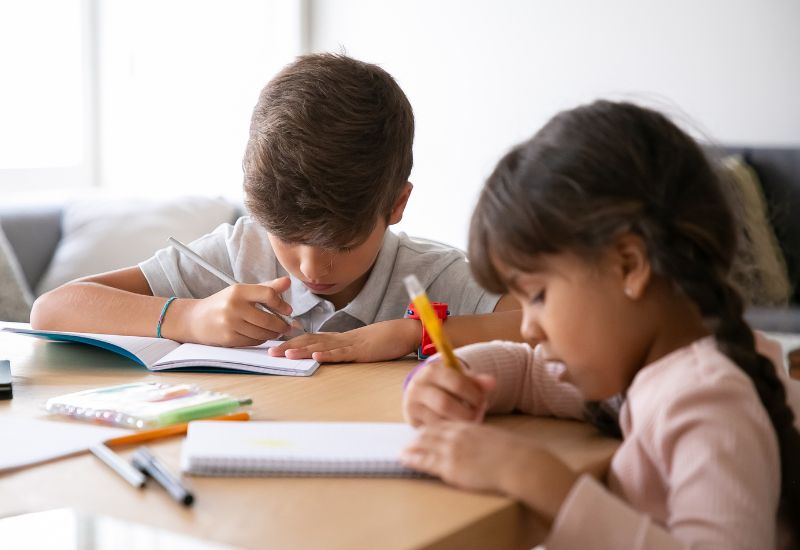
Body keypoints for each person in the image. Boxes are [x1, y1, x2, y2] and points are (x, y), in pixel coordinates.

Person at [400, 100, 800, 549]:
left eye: (538, 295)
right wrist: (456, 376)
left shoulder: (706, 400)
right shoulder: (648, 370)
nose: (528, 327)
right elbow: (533, 373)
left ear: (628, 265)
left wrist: (539, 480)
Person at [30, 53, 520, 362]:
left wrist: (411, 335)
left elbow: (548, 329)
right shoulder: (237, 254)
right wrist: (187, 317)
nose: (311, 268)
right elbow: (52, 309)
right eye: (286, 236)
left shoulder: (432, 276)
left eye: (341, 243)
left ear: (396, 205)